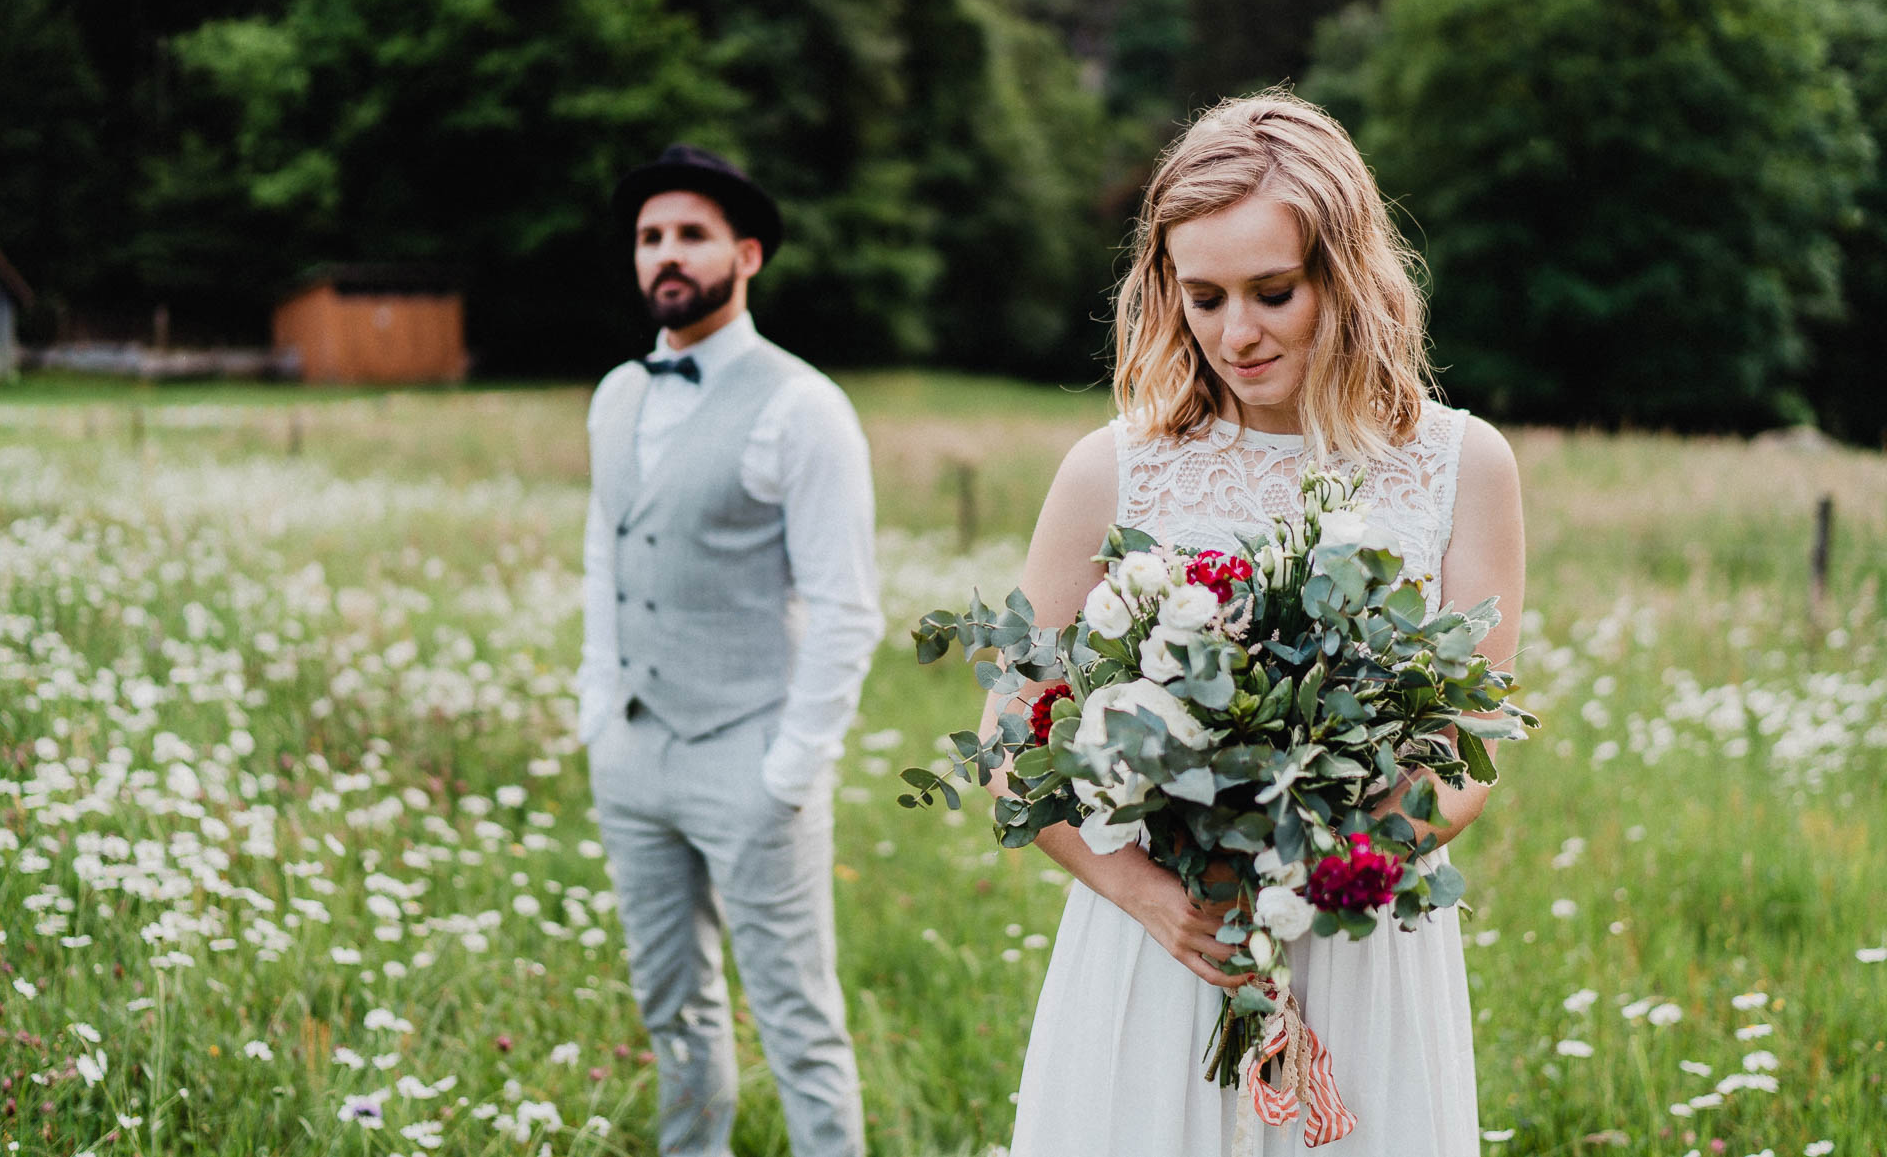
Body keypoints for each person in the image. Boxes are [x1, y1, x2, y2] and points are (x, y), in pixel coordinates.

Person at [987, 92, 1525, 1157]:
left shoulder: (1463, 467)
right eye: (1204, 297)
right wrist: (1147, 894)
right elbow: (1013, 738)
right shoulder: (1113, 472)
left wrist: (1328, 871)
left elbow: (1474, 743)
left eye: (1274, 293)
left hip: (1361, 936)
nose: (1237, 333)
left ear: (1347, 273)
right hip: (1164, 941)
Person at [578, 143, 884, 1157]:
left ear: (745, 255)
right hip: (633, 752)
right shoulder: (617, 393)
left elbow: (847, 609)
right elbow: (604, 559)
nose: (667, 254)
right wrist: (597, 717)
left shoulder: (805, 407)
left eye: (691, 235)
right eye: (650, 237)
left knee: (798, 1022)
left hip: (750, 754)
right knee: (674, 1009)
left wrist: (790, 771)